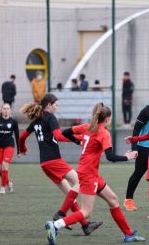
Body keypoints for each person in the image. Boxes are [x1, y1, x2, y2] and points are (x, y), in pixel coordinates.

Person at [45, 102, 145, 244]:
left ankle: (128, 234)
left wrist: (79, 141)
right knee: (86, 212)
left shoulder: (87, 127)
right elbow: (110, 157)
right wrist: (127, 157)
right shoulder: (104, 133)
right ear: (107, 119)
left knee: (113, 200)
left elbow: (65, 132)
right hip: (88, 175)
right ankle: (55, 225)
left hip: (90, 172)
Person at [19, 93, 102, 235]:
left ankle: (85, 226)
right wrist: (76, 140)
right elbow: (58, 136)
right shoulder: (50, 117)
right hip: (54, 160)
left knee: (71, 192)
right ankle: (61, 214)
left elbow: (22, 137)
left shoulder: (37, 120)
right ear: (49, 105)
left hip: (44, 163)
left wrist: (22, 148)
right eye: (56, 105)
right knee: (80, 182)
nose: (58, 107)